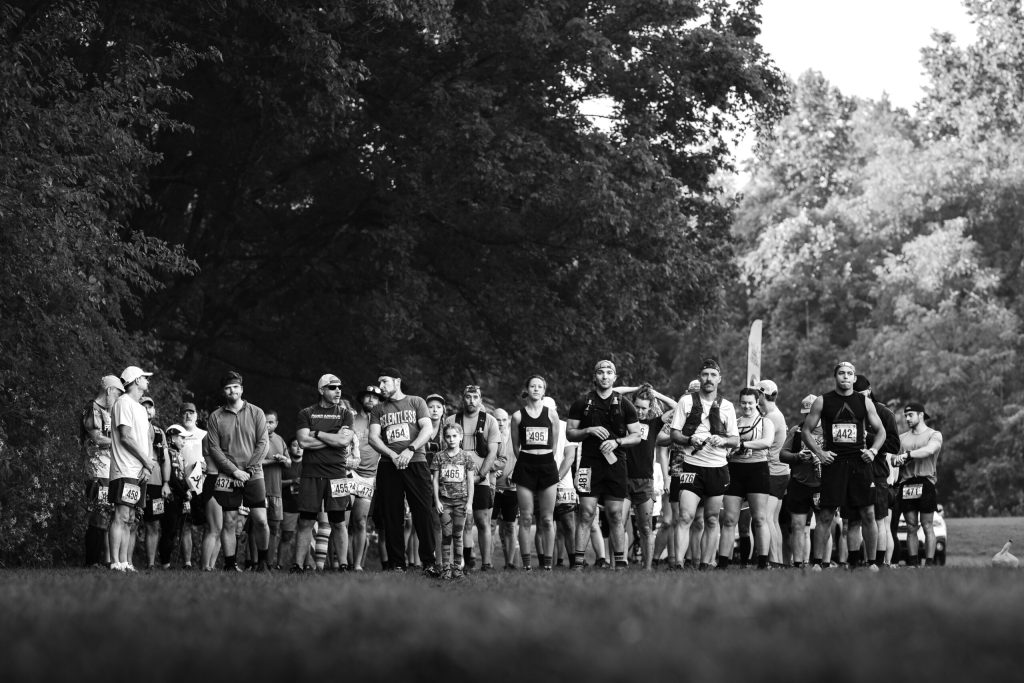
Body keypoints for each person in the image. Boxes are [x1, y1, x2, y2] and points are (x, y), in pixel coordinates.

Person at [801, 361, 887, 571]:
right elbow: (806, 431)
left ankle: (873, 563)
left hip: (860, 463)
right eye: (841, 373)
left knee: (867, 513)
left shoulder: (864, 402)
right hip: (834, 463)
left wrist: (873, 451)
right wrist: (820, 453)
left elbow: (882, 432)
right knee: (826, 514)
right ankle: (818, 562)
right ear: (835, 376)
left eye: (849, 373)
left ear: (854, 378)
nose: (845, 377)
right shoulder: (823, 401)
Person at [566, 360, 642, 570]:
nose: (605, 376)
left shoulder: (625, 404)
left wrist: (617, 441)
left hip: (616, 464)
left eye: (609, 373)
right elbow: (570, 433)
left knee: (616, 514)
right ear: (595, 376)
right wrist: (588, 431)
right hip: (589, 465)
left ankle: (620, 564)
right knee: (586, 513)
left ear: (615, 378)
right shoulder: (582, 403)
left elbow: (636, 436)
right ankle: (578, 564)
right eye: (601, 372)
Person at [670, 359, 740, 570]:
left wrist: (723, 440)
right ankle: (678, 563)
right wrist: (690, 440)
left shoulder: (727, 406)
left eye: (712, 375)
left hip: (718, 468)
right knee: (685, 516)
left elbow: (735, 440)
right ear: (700, 377)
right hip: (692, 465)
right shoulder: (686, 402)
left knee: (711, 519)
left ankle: (705, 565)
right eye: (705, 374)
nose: (708, 379)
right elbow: (674, 434)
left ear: (719, 379)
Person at [368, 367, 439, 574]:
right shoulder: (378, 409)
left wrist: (410, 449)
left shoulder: (416, 402)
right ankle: (397, 563)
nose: (381, 386)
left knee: (423, 512)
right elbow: (373, 437)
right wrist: (392, 455)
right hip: (389, 466)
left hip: (416, 462)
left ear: (397, 381)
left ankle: (429, 562)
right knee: (392, 515)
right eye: (379, 382)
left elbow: (427, 429)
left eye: (384, 381)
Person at [206, 370, 271, 572]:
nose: (232, 390)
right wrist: (234, 471)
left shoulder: (257, 412)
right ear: (223, 392)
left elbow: (263, 443)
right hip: (228, 474)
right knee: (229, 520)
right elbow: (214, 449)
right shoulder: (215, 417)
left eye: (235, 386)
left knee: (260, 520)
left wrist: (248, 471)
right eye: (227, 388)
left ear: (241, 389)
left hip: (254, 473)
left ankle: (262, 562)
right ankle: (230, 564)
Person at [293, 373, 356, 573]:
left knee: (338, 522)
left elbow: (344, 441)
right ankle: (298, 565)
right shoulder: (306, 413)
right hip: (311, 474)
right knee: (306, 521)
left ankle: (344, 564)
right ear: (321, 390)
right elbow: (303, 442)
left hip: (337, 474)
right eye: (332, 387)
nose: (338, 390)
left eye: (339, 387)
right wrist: (333, 438)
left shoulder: (346, 414)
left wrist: (318, 433)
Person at [613, 383, 675, 570]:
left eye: (643, 408)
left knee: (646, 528)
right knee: (618, 523)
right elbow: (614, 393)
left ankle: (647, 568)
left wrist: (657, 394)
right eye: (637, 407)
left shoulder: (654, 423)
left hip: (644, 481)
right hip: (622, 478)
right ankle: (616, 565)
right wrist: (634, 389)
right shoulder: (622, 422)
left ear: (649, 408)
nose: (639, 411)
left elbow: (677, 407)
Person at [845, 376, 901, 568]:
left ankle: (878, 563)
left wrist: (867, 437)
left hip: (876, 472)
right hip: (851, 472)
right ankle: (852, 564)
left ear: (869, 391)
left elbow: (894, 445)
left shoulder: (884, 413)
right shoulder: (845, 411)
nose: (856, 398)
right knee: (852, 521)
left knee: (879, 519)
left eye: (859, 394)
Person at [717, 387, 774, 569]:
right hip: (734, 470)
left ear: (757, 402)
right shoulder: (734, 422)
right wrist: (727, 449)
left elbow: (767, 442)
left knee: (759, 518)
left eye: (750, 402)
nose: (747, 406)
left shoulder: (766, 422)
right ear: (739, 403)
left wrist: (742, 444)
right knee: (729, 519)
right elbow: (725, 442)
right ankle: (723, 563)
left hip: (758, 470)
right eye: (743, 403)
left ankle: (763, 562)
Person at [446, 384, 501, 571]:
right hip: (454, 479)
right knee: (455, 521)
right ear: (463, 398)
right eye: (468, 396)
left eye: (475, 396)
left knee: (482, 521)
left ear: (480, 399)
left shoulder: (490, 421)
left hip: (481, 479)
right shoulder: (452, 419)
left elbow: (493, 452)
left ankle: (487, 563)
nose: (471, 400)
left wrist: (481, 475)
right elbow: (445, 449)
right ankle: (455, 563)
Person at [108, 366, 158, 572]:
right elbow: (126, 437)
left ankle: (125, 562)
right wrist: (146, 461)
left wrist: (146, 467)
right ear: (136, 380)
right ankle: (115, 563)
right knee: (120, 516)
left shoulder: (139, 408)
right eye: (145, 378)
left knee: (130, 518)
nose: (148, 381)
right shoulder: (123, 403)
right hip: (124, 469)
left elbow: (145, 439)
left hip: (139, 471)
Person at [510, 375, 562, 571]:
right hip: (525, 466)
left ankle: (547, 564)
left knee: (547, 519)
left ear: (544, 391)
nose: (536, 389)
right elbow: (516, 446)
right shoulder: (517, 416)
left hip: (547, 466)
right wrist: (528, 459)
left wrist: (543, 458)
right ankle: (526, 564)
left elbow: (554, 444)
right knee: (525, 517)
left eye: (540, 387)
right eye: (533, 386)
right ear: (527, 389)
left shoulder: (551, 415)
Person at [80, 375, 122, 567]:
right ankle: (91, 562)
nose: (119, 396)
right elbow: (96, 438)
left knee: (104, 514)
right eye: (118, 392)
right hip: (96, 470)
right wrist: (120, 444)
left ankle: (99, 560)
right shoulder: (92, 409)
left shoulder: (107, 411)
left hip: (107, 470)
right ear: (108, 390)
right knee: (97, 514)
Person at [896, 402, 943, 567]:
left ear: (921, 415)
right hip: (907, 483)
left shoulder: (934, 435)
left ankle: (929, 564)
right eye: (905, 416)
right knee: (910, 527)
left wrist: (907, 455)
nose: (907, 418)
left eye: (910, 415)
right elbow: (895, 460)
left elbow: (929, 450)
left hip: (926, 481)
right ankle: (913, 563)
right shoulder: (901, 438)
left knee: (927, 524)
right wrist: (897, 461)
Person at [779, 394, 822, 569]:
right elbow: (782, 454)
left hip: (822, 483)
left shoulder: (829, 431)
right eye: (805, 414)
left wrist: (822, 457)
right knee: (797, 525)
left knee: (824, 523)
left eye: (811, 414)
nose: (808, 418)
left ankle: (822, 562)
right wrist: (798, 457)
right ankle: (798, 563)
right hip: (799, 482)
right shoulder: (796, 431)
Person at [431, 423, 476, 579]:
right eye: (448, 436)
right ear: (445, 438)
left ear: (461, 437)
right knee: (446, 535)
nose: (451, 439)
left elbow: (470, 481)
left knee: (458, 535)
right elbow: (435, 481)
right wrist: (436, 501)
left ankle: (457, 568)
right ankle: (445, 569)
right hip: (444, 502)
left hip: (461, 502)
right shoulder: (439, 456)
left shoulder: (466, 457)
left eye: (454, 436)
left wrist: (469, 502)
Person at [350, 385, 384, 571]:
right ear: (361, 399)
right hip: (348, 473)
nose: (371, 400)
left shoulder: (383, 423)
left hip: (369, 476)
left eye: (375, 397)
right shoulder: (350, 419)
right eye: (368, 396)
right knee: (343, 520)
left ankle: (357, 566)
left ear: (380, 402)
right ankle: (341, 563)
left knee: (361, 521)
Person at [756, 380, 789, 567]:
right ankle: (778, 561)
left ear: (761, 395)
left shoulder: (771, 418)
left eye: (756, 394)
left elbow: (764, 445)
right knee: (773, 520)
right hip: (780, 472)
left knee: (767, 518)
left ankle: (775, 561)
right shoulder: (776, 414)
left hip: (773, 472)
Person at [140, 397, 171, 570]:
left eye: (150, 407)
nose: (147, 410)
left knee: (153, 524)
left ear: (154, 411)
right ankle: (125, 562)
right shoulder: (132, 429)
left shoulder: (160, 432)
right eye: (143, 407)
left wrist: (166, 483)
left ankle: (150, 564)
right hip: (136, 480)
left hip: (156, 484)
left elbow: (165, 460)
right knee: (131, 520)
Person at [261, 409, 291, 570]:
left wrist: (284, 459)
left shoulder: (280, 440)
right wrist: (273, 461)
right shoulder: (256, 438)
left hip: (276, 491)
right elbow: (254, 462)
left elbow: (289, 463)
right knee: (257, 527)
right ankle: (255, 562)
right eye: (265, 421)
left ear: (276, 424)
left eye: (271, 422)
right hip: (260, 489)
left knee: (274, 528)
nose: (268, 425)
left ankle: (269, 563)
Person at [491, 408, 519, 569]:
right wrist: (493, 469)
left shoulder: (515, 436)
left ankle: (510, 563)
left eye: (503, 419)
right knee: (491, 525)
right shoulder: (490, 436)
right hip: (493, 487)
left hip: (511, 488)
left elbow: (522, 458)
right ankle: (488, 563)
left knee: (510, 525)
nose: (500, 423)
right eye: (497, 420)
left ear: (508, 420)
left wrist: (515, 472)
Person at [280, 439, 303, 569]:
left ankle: (305, 565)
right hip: (289, 504)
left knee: (306, 535)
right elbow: (277, 482)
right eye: (295, 445)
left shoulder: (308, 464)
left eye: (301, 446)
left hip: (305, 505)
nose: (299, 448)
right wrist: (292, 481)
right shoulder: (285, 465)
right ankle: (280, 565)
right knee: (286, 536)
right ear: (289, 449)